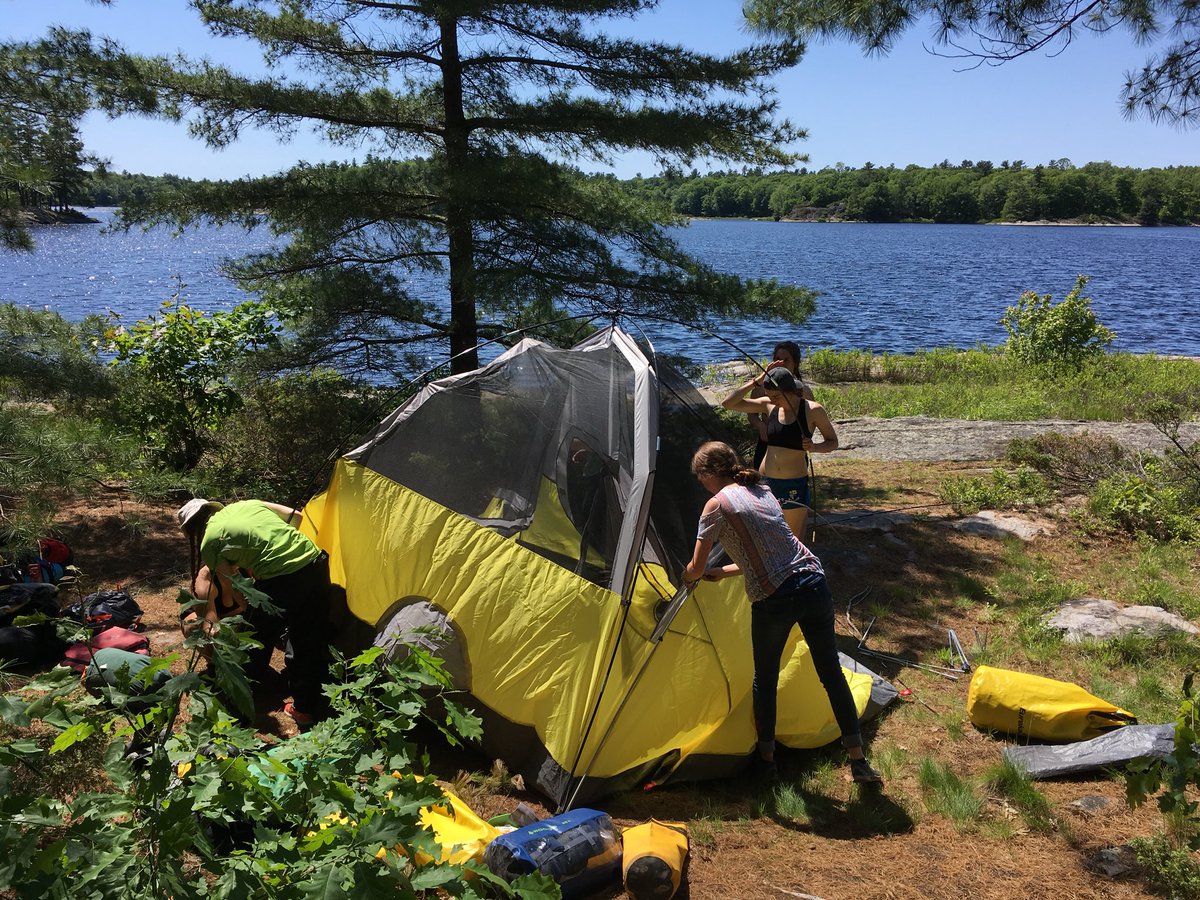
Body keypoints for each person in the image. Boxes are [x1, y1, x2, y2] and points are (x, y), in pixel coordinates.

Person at [683, 441, 881, 783]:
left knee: (766, 679)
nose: (701, 484)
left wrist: (684, 577)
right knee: (831, 673)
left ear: (709, 474)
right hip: (812, 581)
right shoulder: (759, 487)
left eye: (700, 477)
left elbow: (696, 568)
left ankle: (767, 762)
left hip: (774, 597)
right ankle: (859, 759)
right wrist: (727, 572)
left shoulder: (714, 506)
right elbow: (777, 550)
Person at [177, 498, 333, 725]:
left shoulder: (210, 543)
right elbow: (297, 517)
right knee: (307, 639)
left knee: (254, 641)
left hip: (283, 577)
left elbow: (235, 595)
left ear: (192, 530)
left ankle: (239, 711)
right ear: (212, 508)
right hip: (315, 561)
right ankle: (304, 709)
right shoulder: (247, 505)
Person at [723, 365, 838, 542]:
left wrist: (814, 447)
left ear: (790, 390)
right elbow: (728, 403)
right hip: (765, 481)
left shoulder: (812, 410)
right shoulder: (769, 406)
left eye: (776, 396)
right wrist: (755, 382)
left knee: (791, 539)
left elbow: (832, 442)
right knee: (764, 535)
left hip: (793, 484)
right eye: (769, 396)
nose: (773, 400)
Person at [748, 342, 814, 469]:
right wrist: (761, 426)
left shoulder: (804, 391)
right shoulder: (761, 388)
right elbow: (751, 416)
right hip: (767, 442)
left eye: (786, 360)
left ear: (795, 363)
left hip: (794, 447)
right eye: (777, 360)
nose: (781, 363)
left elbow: (812, 419)